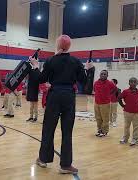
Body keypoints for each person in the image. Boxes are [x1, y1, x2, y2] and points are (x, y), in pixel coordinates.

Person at [30, 35, 86, 174]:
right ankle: (66, 165)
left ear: (58, 46)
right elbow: (83, 80)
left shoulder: (51, 60)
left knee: (48, 129)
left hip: (54, 96)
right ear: (69, 46)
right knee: (67, 132)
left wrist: (36, 66)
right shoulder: (76, 62)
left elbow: (41, 79)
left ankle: (43, 159)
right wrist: (88, 69)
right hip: (69, 97)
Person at [118, 77, 138, 146]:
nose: (133, 83)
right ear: (129, 83)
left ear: (137, 83)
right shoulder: (125, 91)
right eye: (131, 82)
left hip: (136, 112)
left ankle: (135, 140)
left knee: (136, 126)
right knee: (126, 126)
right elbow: (119, 98)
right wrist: (123, 105)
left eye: (135, 82)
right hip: (127, 112)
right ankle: (125, 138)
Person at [93, 70, 116, 137]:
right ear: (100, 75)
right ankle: (99, 130)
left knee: (105, 118)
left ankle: (104, 131)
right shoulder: (96, 83)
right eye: (102, 74)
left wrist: (109, 94)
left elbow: (115, 89)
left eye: (104, 74)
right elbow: (94, 90)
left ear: (107, 75)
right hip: (97, 103)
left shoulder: (110, 83)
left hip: (105, 104)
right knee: (98, 118)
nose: (103, 75)